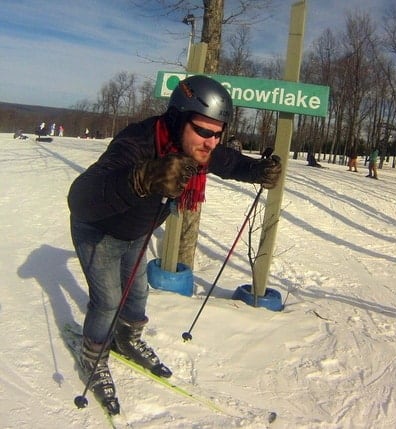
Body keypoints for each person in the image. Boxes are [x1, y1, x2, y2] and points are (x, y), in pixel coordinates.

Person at [67, 75, 282, 415]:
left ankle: (128, 338)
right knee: (107, 301)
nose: (212, 142)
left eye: (218, 132)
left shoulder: (195, 147)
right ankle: (94, 355)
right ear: (177, 119)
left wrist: (258, 170)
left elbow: (228, 161)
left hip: (137, 231)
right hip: (100, 230)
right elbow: (82, 197)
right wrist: (141, 178)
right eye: (204, 131)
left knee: (137, 295)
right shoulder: (137, 141)